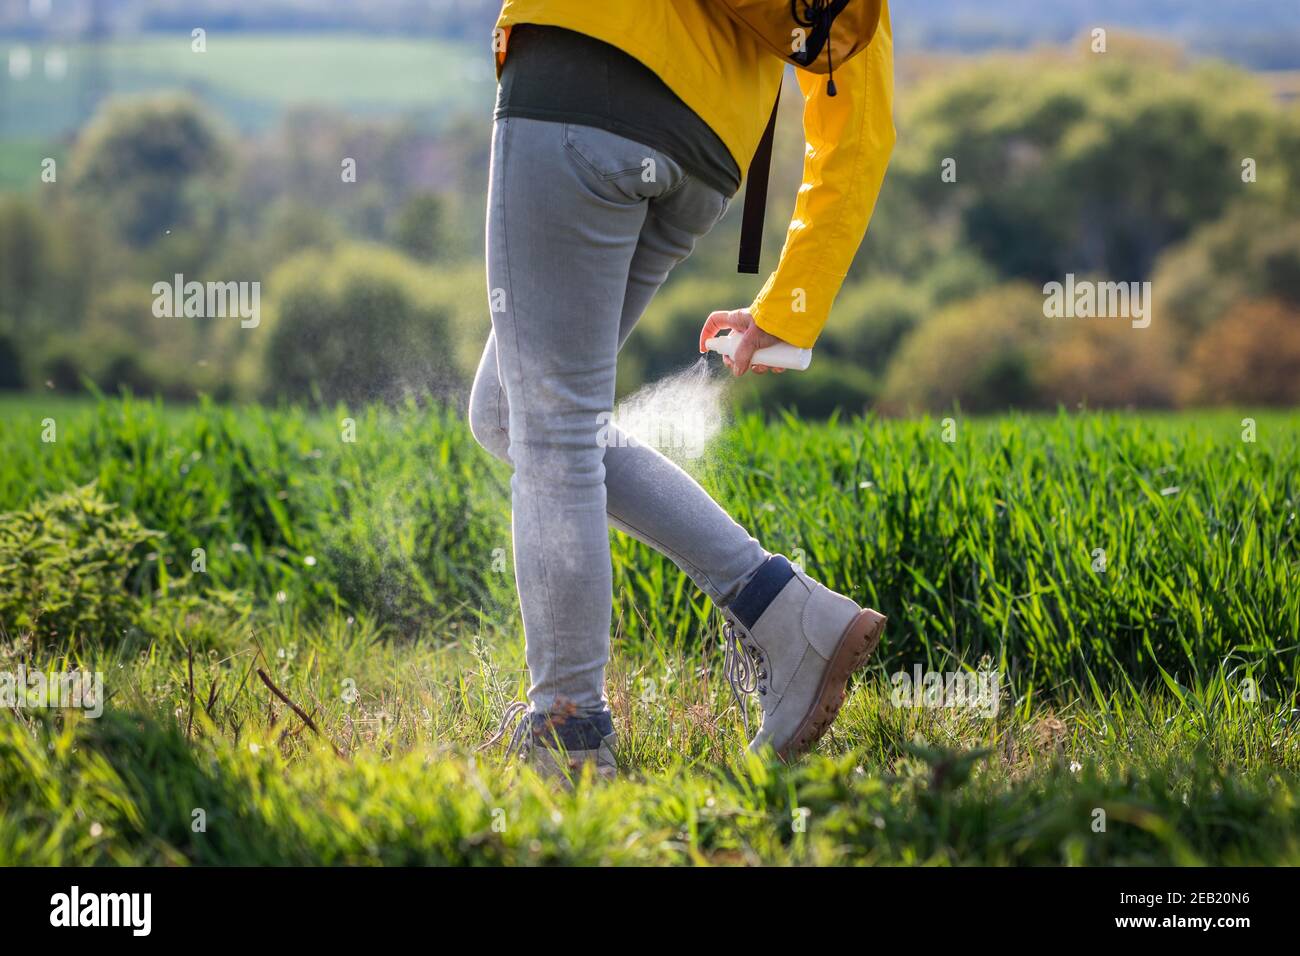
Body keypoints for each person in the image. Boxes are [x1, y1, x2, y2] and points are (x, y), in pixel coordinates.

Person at [469, 1, 895, 779]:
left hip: (583, 81)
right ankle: (781, 607)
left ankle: (569, 740)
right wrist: (795, 300)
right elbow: (858, 98)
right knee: (510, 411)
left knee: (552, 429)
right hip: (703, 151)